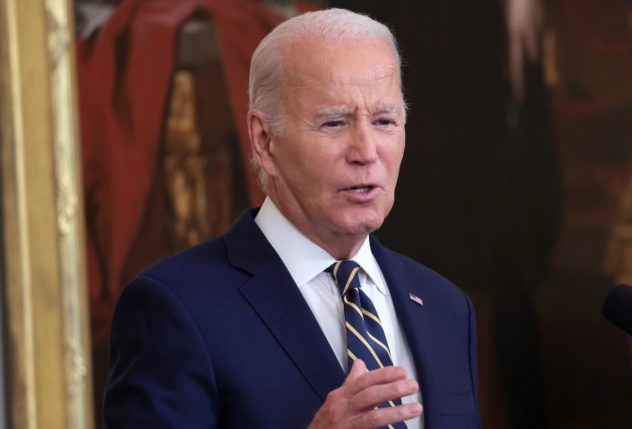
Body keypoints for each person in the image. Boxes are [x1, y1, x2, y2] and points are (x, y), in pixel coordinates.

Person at [102, 8, 481, 429]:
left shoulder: (447, 309)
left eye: (384, 121)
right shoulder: (172, 309)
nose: (367, 150)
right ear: (265, 141)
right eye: (334, 123)